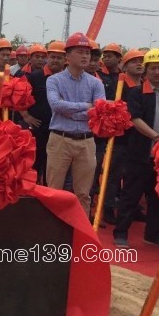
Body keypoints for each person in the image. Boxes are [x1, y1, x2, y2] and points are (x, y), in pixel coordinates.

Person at [113, 49, 159, 249]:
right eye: (153, 68)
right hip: (139, 153)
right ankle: (121, 233)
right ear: (146, 71)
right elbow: (134, 118)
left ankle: (152, 234)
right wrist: (155, 136)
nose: (157, 72)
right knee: (131, 194)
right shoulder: (136, 93)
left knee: (158, 197)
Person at [45, 32, 105, 216]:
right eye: (80, 52)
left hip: (86, 142)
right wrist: (86, 107)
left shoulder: (96, 83)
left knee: (84, 194)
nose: (86, 56)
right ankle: (52, 233)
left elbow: (99, 111)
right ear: (68, 56)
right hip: (60, 140)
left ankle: (80, 234)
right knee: (54, 190)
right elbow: (56, 105)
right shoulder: (54, 80)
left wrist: (71, 110)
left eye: (88, 53)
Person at [23, 41, 65, 184]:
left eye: (59, 58)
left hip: (59, 129)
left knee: (53, 166)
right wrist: (26, 116)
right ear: (48, 57)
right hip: (38, 128)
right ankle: (31, 194)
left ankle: (48, 193)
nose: (55, 60)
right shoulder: (34, 77)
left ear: (65, 60)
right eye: (53, 57)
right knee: (35, 162)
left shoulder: (68, 79)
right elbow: (20, 97)